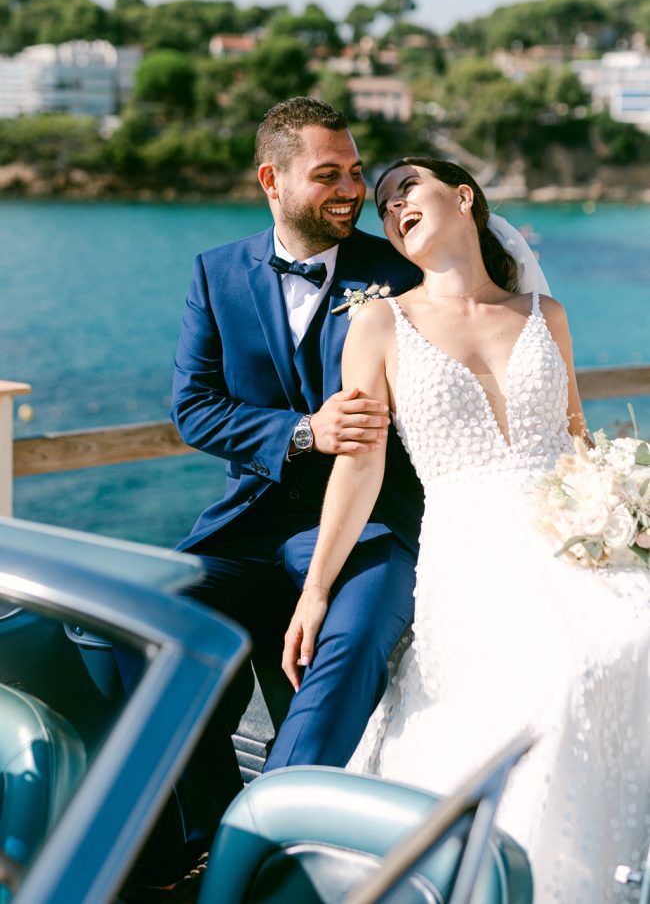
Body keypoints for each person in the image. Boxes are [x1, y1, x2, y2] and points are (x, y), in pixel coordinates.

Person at [283, 156, 650, 904]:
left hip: (575, 535)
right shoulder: (379, 322)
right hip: (473, 552)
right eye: (384, 206)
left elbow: (578, 436)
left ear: (463, 196)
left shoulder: (546, 316)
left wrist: (624, 508)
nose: (392, 208)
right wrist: (316, 588)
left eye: (405, 188)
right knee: (560, 668)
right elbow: (359, 468)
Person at [170, 103, 546, 824]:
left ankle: (270, 838)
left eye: (355, 171)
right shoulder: (215, 274)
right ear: (271, 180)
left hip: (374, 526)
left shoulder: (397, 269)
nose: (351, 189)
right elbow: (195, 407)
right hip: (251, 524)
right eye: (328, 175)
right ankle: (203, 828)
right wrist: (303, 432)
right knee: (136, 625)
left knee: (352, 635)